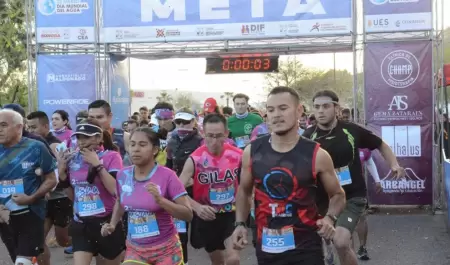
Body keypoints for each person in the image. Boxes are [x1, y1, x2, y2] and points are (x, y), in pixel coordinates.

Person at [230, 87, 345, 265]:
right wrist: (240, 224)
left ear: (299, 110)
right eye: (270, 110)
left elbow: (338, 194)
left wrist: (329, 217)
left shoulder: (317, 154)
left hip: (306, 245)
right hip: (267, 244)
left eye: (283, 108)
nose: (276, 115)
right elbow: (244, 192)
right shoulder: (252, 151)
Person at [302, 90, 405, 265]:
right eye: (317, 107)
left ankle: (338, 246)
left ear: (336, 108)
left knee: (341, 241)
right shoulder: (307, 136)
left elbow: (381, 144)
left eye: (326, 106)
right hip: (322, 198)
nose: (320, 111)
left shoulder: (351, 130)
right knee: (331, 240)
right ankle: (328, 246)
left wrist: (394, 164)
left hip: (352, 195)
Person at [101, 127, 193, 265]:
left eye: (142, 145)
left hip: (166, 249)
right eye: (132, 144)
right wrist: (112, 224)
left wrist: (161, 201)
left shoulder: (168, 176)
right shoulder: (122, 175)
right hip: (135, 249)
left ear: (155, 149)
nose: (135, 149)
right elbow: (120, 201)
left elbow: (188, 214)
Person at [57, 119, 125, 265]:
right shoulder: (73, 159)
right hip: (81, 223)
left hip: (106, 224)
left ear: (99, 138)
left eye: (86, 137)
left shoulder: (111, 156)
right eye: (79, 137)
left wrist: (97, 165)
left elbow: (115, 190)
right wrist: (62, 175)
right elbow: (73, 196)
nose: (81, 141)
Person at [179, 113, 242, 265]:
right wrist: (197, 207)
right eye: (210, 136)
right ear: (202, 133)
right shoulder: (195, 159)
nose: (214, 141)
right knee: (218, 261)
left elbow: (251, 182)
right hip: (207, 217)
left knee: (232, 259)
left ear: (226, 133)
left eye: (219, 136)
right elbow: (177, 191)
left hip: (232, 214)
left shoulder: (238, 155)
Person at [0, 109, 58, 265]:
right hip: (5, 217)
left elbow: (52, 179)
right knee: (19, 259)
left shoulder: (36, 147)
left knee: (23, 262)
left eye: (3, 125)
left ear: (19, 127)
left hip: (31, 213)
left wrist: (32, 197)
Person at [26, 111, 73, 265]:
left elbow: (63, 173)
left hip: (61, 198)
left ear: (45, 126)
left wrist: (48, 185)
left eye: (34, 127)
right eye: (29, 127)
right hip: (42, 200)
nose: (31, 130)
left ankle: (85, 243)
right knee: (38, 241)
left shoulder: (56, 144)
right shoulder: (30, 144)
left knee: (63, 241)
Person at [166, 108, 203, 264]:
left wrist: (194, 180)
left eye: (185, 122)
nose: (181, 125)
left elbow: (206, 168)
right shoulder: (172, 140)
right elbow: (168, 164)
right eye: (178, 122)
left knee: (198, 237)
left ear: (193, 122)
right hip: (177, 193)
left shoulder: (200, 141)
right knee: (180, 232)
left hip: (196, 191)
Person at [354, 148, 381, 260]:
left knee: (361, 217)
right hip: (336, 186)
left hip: (357, 187)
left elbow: (369, 161)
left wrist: (377, 180)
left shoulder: (362, 146)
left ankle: (362, 248)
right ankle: (334, 249)